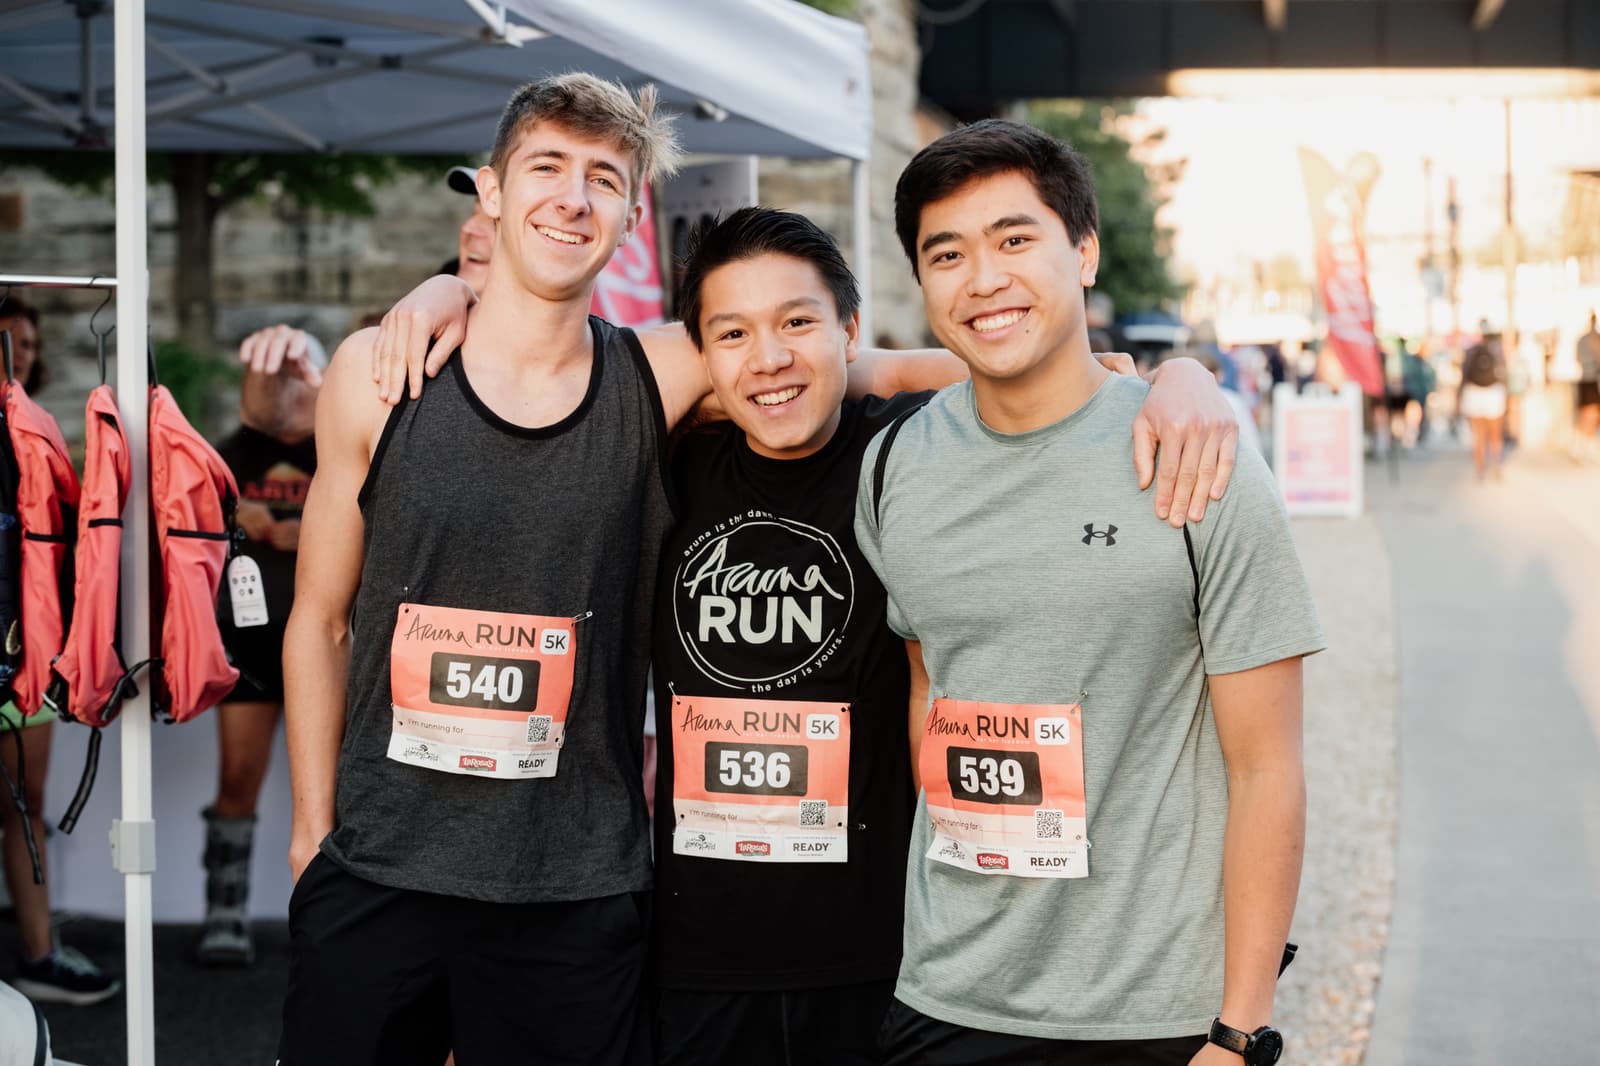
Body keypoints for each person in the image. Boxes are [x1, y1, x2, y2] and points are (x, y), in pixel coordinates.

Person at [855, 120, 1324, 1066]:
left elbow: (1268, 767)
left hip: (1153, 1016)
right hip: (947, 992)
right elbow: (929, 681)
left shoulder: (1200, 461)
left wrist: (1239, 1031)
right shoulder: (894, 465)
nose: (983, 278)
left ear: (1084, 251)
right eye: (947, 253)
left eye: (1014, 239)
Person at [0, 296, 120, 1007]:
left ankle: (40, 954)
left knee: (26, 806)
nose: (16, 353)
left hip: (26, 653)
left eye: (25, 343)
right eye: (4, 340)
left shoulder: (34, 436)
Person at [197, 341, 323, 967]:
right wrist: (235, 521)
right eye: (267, 378)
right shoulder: (228, 456)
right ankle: (225, 913)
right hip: (247, 646)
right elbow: (186, 533)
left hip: (331, 646)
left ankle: (334, 925)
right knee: (239, 779)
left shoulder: (342, 443)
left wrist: (320, 528)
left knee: (335, 794)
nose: (280, 390)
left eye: (292, 378)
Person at [1458, 331, 1508, 481]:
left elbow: (1464, 375)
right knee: (1495, 433)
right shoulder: (1497, 351)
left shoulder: (1470, 351)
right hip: (1494, 393)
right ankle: (1496, 464)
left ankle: (1480, 469)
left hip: (1474, 393)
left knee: (1478, 434)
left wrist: (1459, 396)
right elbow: (1504, 374)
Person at [1572, 311, 1599, 465]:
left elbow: (1576, 358)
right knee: (1590, 415)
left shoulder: (1582, 339)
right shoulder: (1593, 339)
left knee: (1586, 415)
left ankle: (1581, 448)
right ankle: (1583, 449)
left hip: (1584, 380)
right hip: (1591, 380)